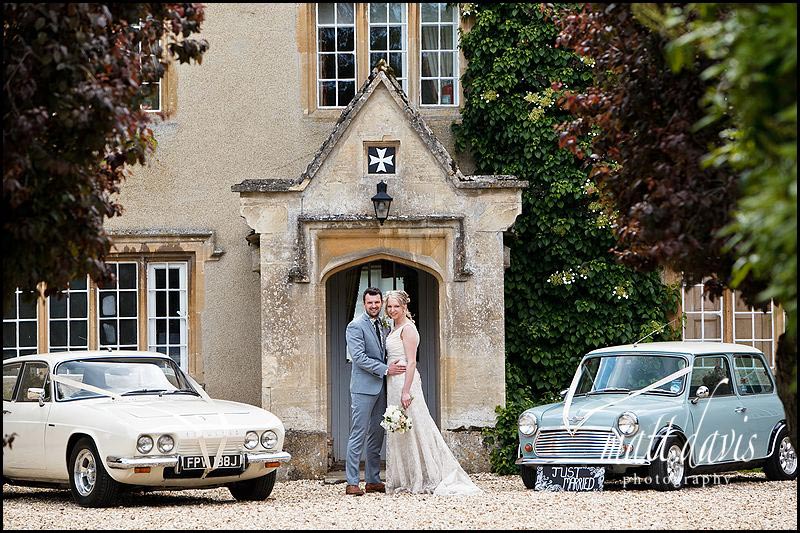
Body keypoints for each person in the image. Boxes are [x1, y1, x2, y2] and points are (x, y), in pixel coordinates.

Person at [383, 290, 482, 495]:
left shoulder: (408, 329)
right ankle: (407, 477)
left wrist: (405, 391)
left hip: (405, 383)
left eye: (396, 306)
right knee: (401, 429)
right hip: (393, 382)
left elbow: (411, 362)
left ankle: (424, 476)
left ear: (404, 307)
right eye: (390, 306)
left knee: (417, 426)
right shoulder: (394, 327)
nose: (392, 310)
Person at [344, 287, 407, 496]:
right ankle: (352, 482)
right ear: (364, 304)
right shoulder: (355, 326)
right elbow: (359, 357)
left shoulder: (384, 324)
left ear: (381, 303)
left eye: (377, 303)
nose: (374, 306)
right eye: (370, 303)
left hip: (382, 387)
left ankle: (372, 480)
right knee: (358, 434)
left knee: (377, 434)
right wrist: (386, 369)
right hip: (363, 388)